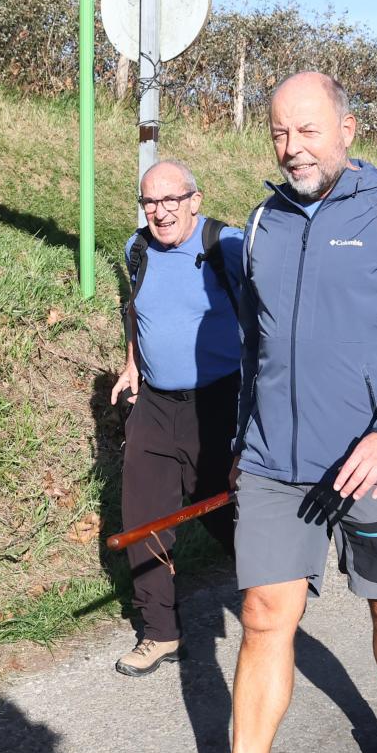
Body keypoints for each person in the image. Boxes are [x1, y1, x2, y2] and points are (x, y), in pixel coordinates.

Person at [146, 72, 377, 753]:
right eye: (280, 132)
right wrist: (242, 442)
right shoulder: (262, 224)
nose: (292, 148)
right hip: (275, 465)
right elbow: (256, 346)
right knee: (263, 617)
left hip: (375, 462)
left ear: (347, 129)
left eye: (308, 130)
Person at [110, 159, 244, 677]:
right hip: (156, 404)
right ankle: (160, 631)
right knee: (143, 516)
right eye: (149, 202)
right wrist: (132, 363)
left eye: (171, 200)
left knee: (226, 508)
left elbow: (268, 321)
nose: (160, 212)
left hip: (219, 402)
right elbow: (136, 311)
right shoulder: (137, 248)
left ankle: (273, 586)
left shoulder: (227, 247)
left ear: (195, 200)